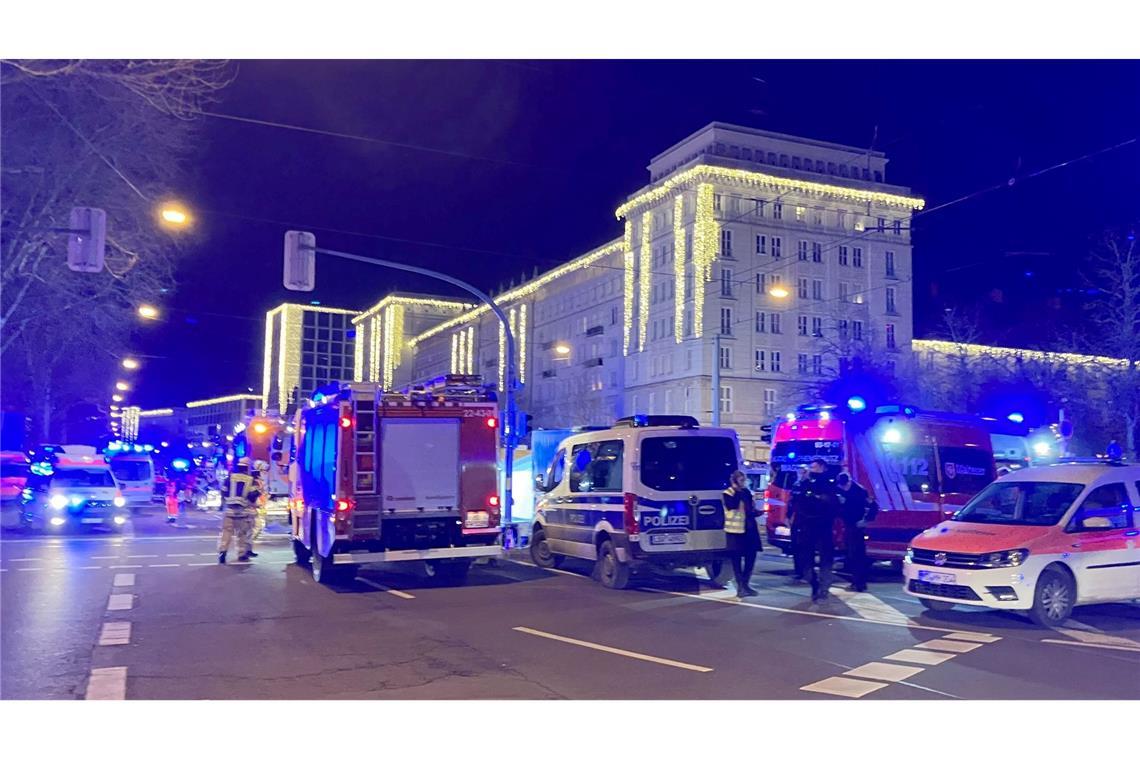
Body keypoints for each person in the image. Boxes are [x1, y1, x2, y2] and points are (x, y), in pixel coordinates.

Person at [795, 458, 841, 602]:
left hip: (824, 526)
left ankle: (823, 589)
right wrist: (802, 481)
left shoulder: (829, 482)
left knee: (826, 559)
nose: (811, 470)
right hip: (807, 526)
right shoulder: (806, 482)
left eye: (814, 467)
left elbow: (832, 503)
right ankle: (814, 583)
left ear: (822, 467)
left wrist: (818, 497)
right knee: (805, 560)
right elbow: (797, 500)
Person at [723, 470, 762, 598]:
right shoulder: (728, 493)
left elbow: (749, 509)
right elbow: (732, 505)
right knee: (737, 560)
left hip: (750, 529)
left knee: (751, 558)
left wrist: (758, 512)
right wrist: (737, 490)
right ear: (734, 481)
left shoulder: (746, 492)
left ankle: (746, 584)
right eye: (741, 480)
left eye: (744, 480)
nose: (743, 482)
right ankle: (740, 586)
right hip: (736, 532)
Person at [836, 471, 877, 592]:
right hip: (847, 526)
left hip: (857, 526)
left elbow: (873, 507)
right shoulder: (840, 490)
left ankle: (860, 583)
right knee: (850, 555)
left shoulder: (860, 491)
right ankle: (856, 581)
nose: (843, 488)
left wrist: (866, 520)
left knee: (857, 555)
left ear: (849, 482)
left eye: (844, 485)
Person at [218, 458, 259, 564]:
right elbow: (253, 496)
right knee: (242, 534)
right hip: (243, 511)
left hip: (229, 510)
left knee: (226, 532)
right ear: (247, 468)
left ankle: (223, 552)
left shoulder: (229, 478)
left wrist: (225, 502)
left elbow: (223, 492)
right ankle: (241, 555)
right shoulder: (251, 480)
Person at [787, 465, 810, 583]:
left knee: (805, 547)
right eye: (800, 471)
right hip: (796, 520)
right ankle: (798, 571)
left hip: (806, 520)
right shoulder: (796, 485)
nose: (801, 474)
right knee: (796, 546)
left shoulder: (810, 485)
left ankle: (806, 572)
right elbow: (791, 502)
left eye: (803, 472)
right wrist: (788, 516)